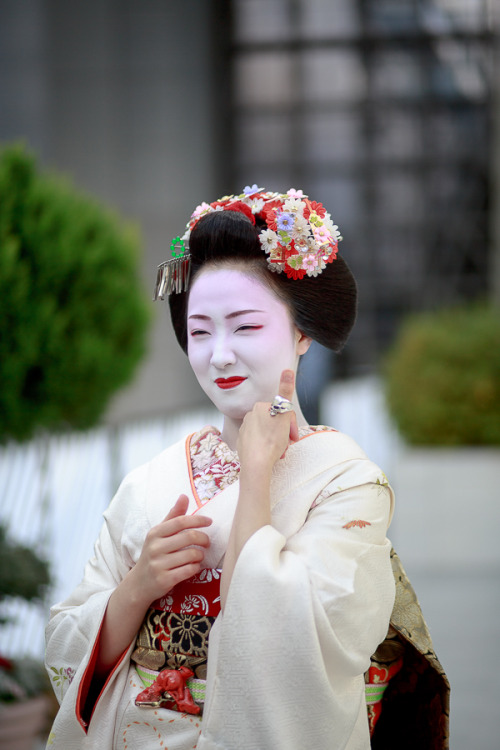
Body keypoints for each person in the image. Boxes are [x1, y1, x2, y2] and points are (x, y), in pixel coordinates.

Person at [45, 187, 449, 749]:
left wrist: (256, 477)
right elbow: (65, 643)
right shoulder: (150, 482)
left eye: (245, 326)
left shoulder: (347, 482)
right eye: (200, 332)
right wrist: (136, 589)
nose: (220, 354)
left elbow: (296, 647)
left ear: (302, 332)